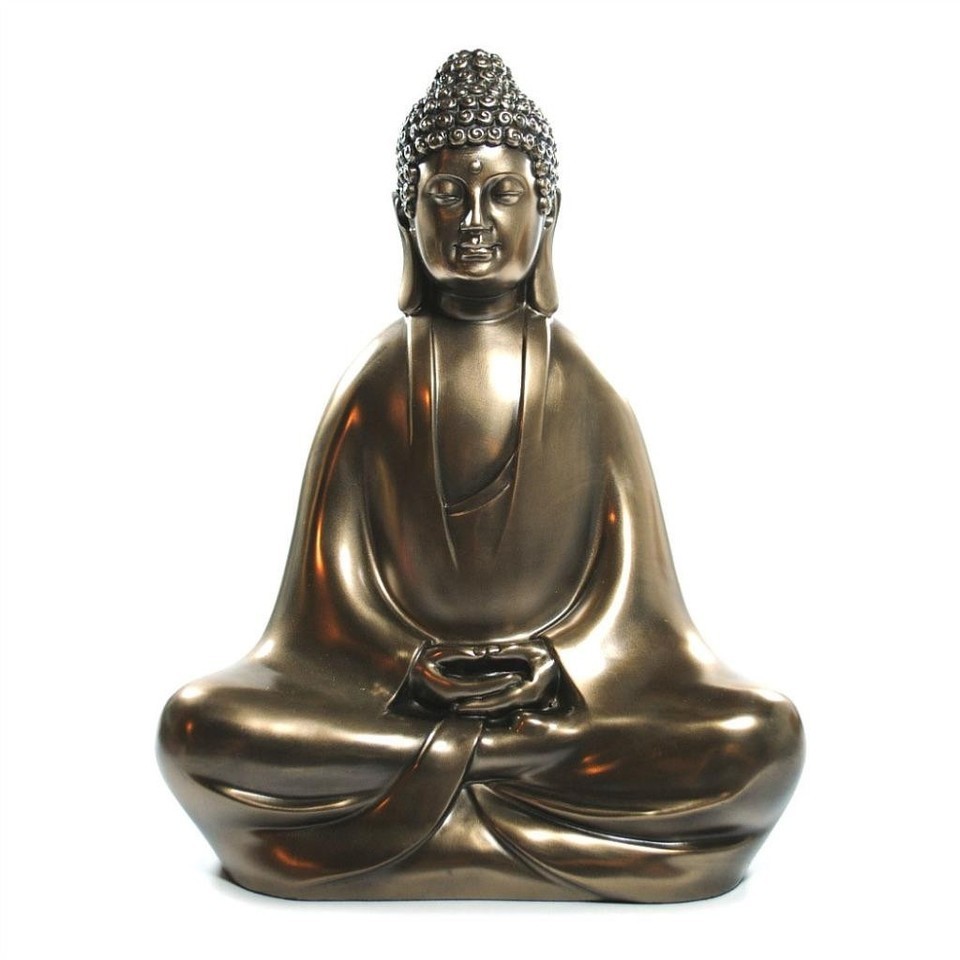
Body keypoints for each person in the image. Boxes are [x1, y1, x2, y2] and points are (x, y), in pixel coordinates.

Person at [158, 50, 803, 902]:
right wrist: (406, 667)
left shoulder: (586, 389)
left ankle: (424, 812)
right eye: (445, 194)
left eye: (502, 193)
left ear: (547, 210)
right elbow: (323, 610)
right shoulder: (375, 385)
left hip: (554, 708)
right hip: (400, 704)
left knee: (760, 737)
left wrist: (557, 667)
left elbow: (639, 612)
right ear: (406, 213)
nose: (474, 221)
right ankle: (520, 806)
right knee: (200, 726)